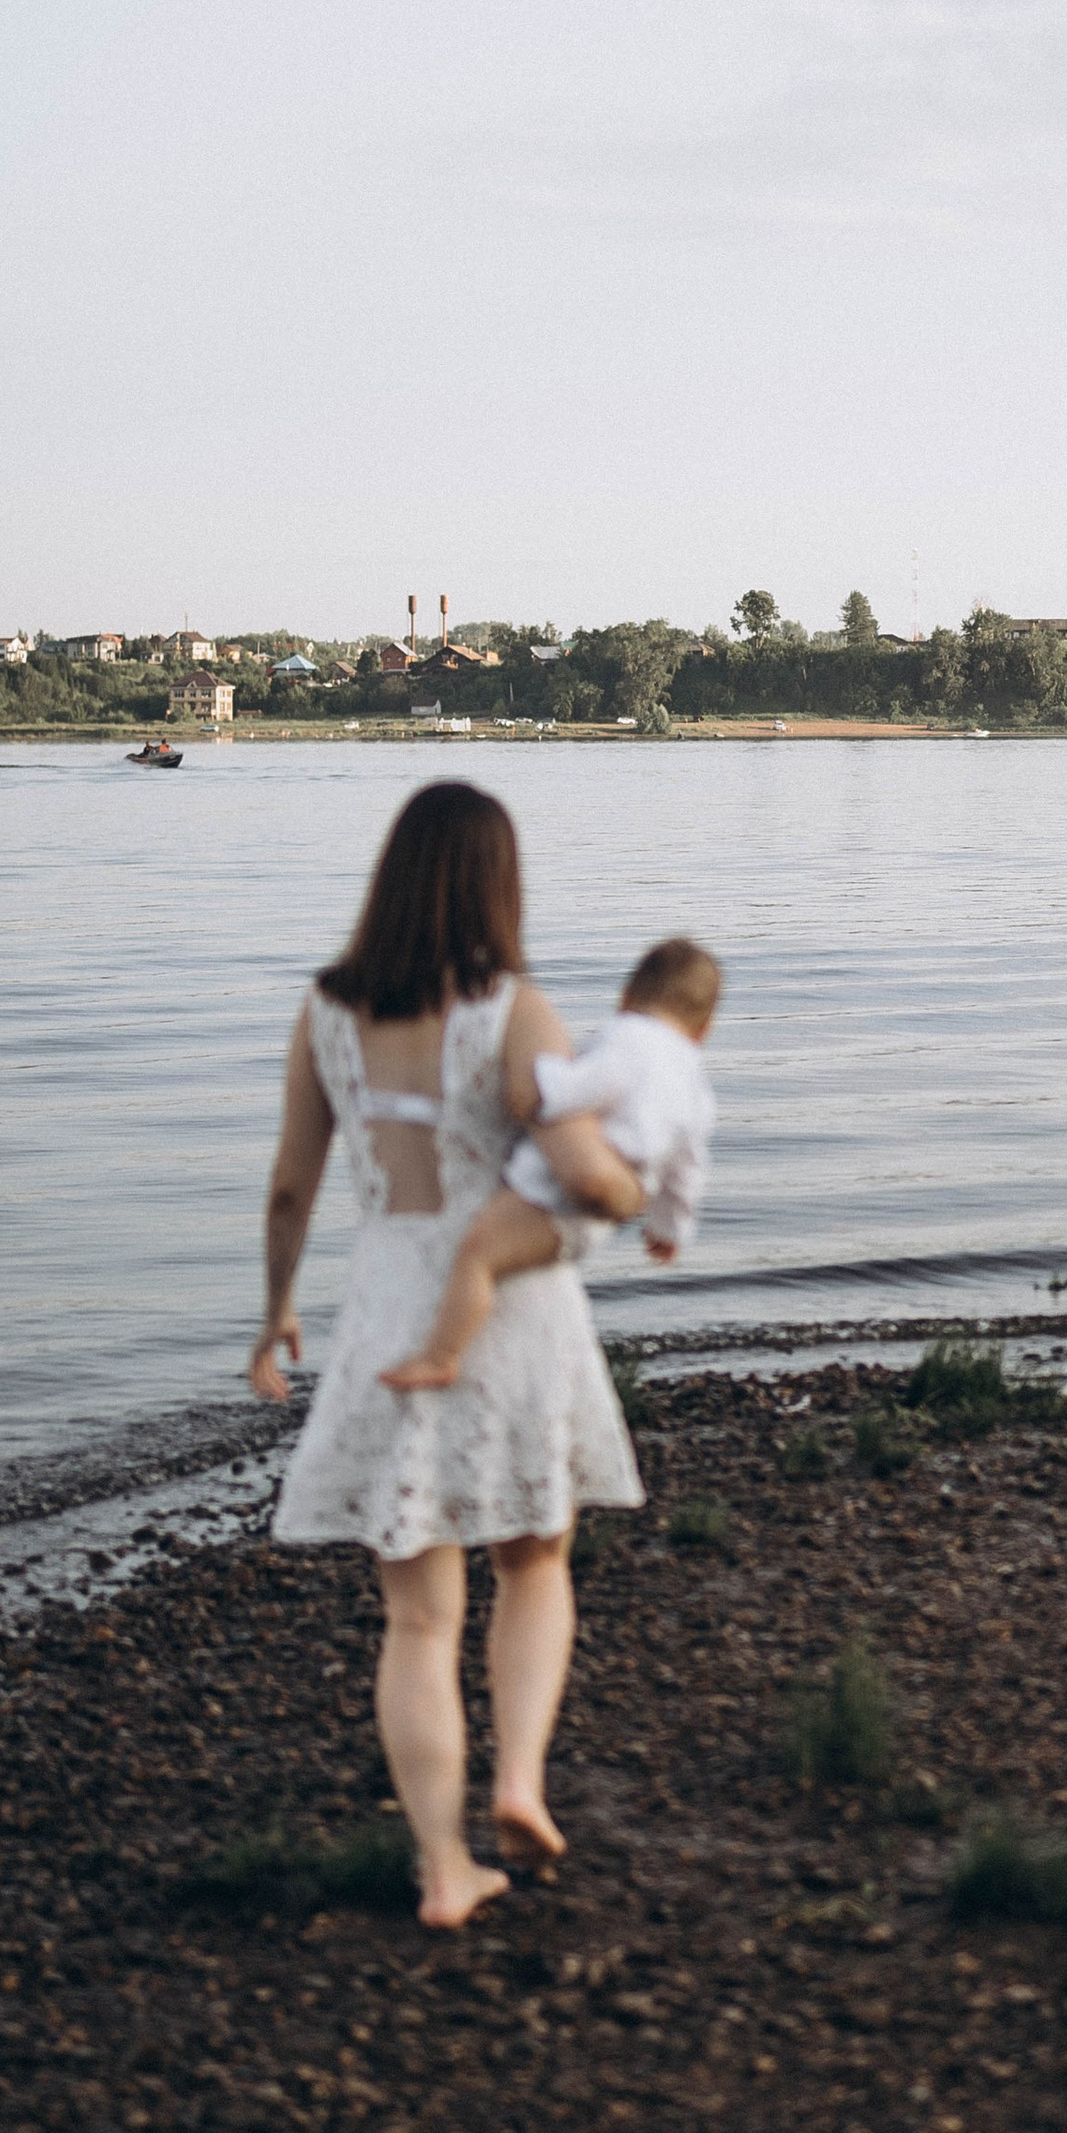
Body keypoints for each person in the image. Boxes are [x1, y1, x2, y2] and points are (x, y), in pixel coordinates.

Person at [249, 782, 644, 1928]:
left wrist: (276, 1309)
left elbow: (291, 1181)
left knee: (417, 1617)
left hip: (387, 1305)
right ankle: (518, 1782)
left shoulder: (327, 1011)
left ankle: (441, 1870)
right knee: (534, 1559)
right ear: (496, 881)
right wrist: (633, 1187)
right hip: (513, 1308)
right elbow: (581, 1171)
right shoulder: (514, 1011)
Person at [381, 937, 720, 1393]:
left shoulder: (629, 1037)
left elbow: (590, 1084)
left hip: (559, 1190)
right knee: (502, 1262)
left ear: (625, 999)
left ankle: (441, 1355)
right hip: (622, 1191)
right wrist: (669, 1228)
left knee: (477, 1254)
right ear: (704, 1029)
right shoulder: (695, 1083)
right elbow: (686, 1169)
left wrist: (541, 1086)